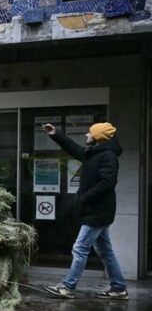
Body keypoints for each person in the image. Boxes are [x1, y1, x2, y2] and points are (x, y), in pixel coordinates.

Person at [43, 121, 128, 299]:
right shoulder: (94, 153)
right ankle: (119, 287)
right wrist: (55, 134)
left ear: (98, 137)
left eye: (89, 133)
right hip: (96, 210)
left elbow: (107, 182)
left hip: (98, 211)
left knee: (80, 248)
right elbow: (74, 149)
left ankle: (68, 286)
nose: (86, 135)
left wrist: (84, 197)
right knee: (105, 250)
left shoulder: (108, 156)